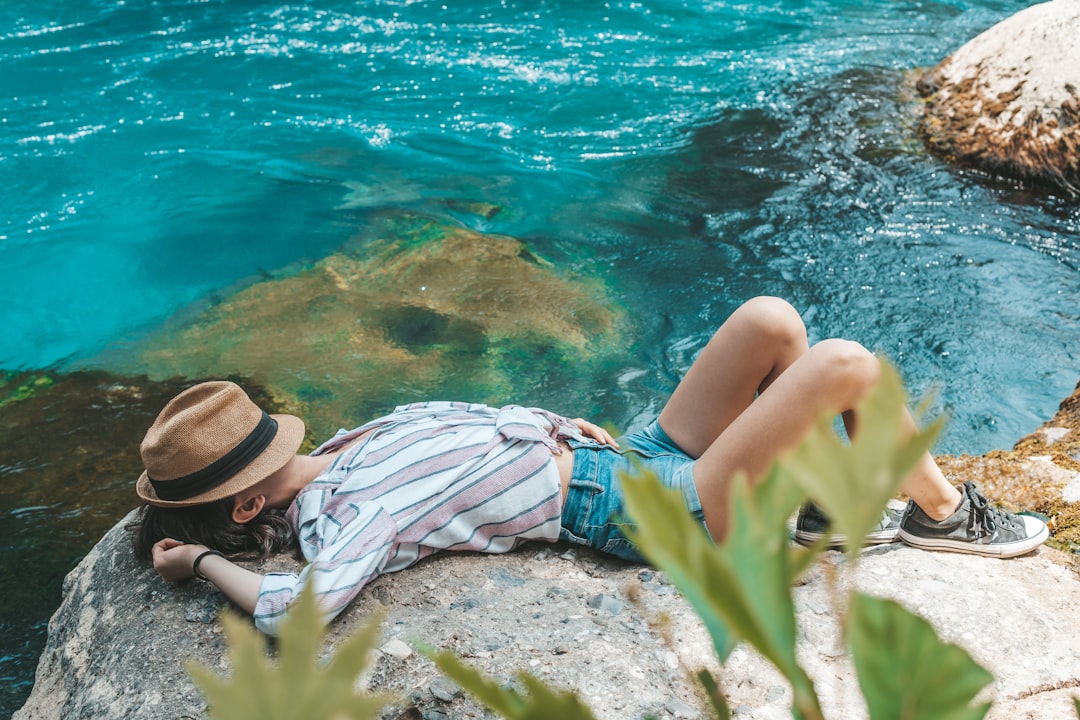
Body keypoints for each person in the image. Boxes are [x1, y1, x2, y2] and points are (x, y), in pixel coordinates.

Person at [131, 296, 1049, 635]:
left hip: (621, 456)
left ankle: (816, 507)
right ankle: (943, 518)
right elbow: (304, 610)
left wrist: (545, 419)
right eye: (267, 454)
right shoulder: (342, 512)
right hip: (652, 515)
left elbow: (459, 419)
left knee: (769, 322)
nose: (292, 442)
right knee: (845, 364)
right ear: (250, 506)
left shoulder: (344, 449)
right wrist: (201, 564)